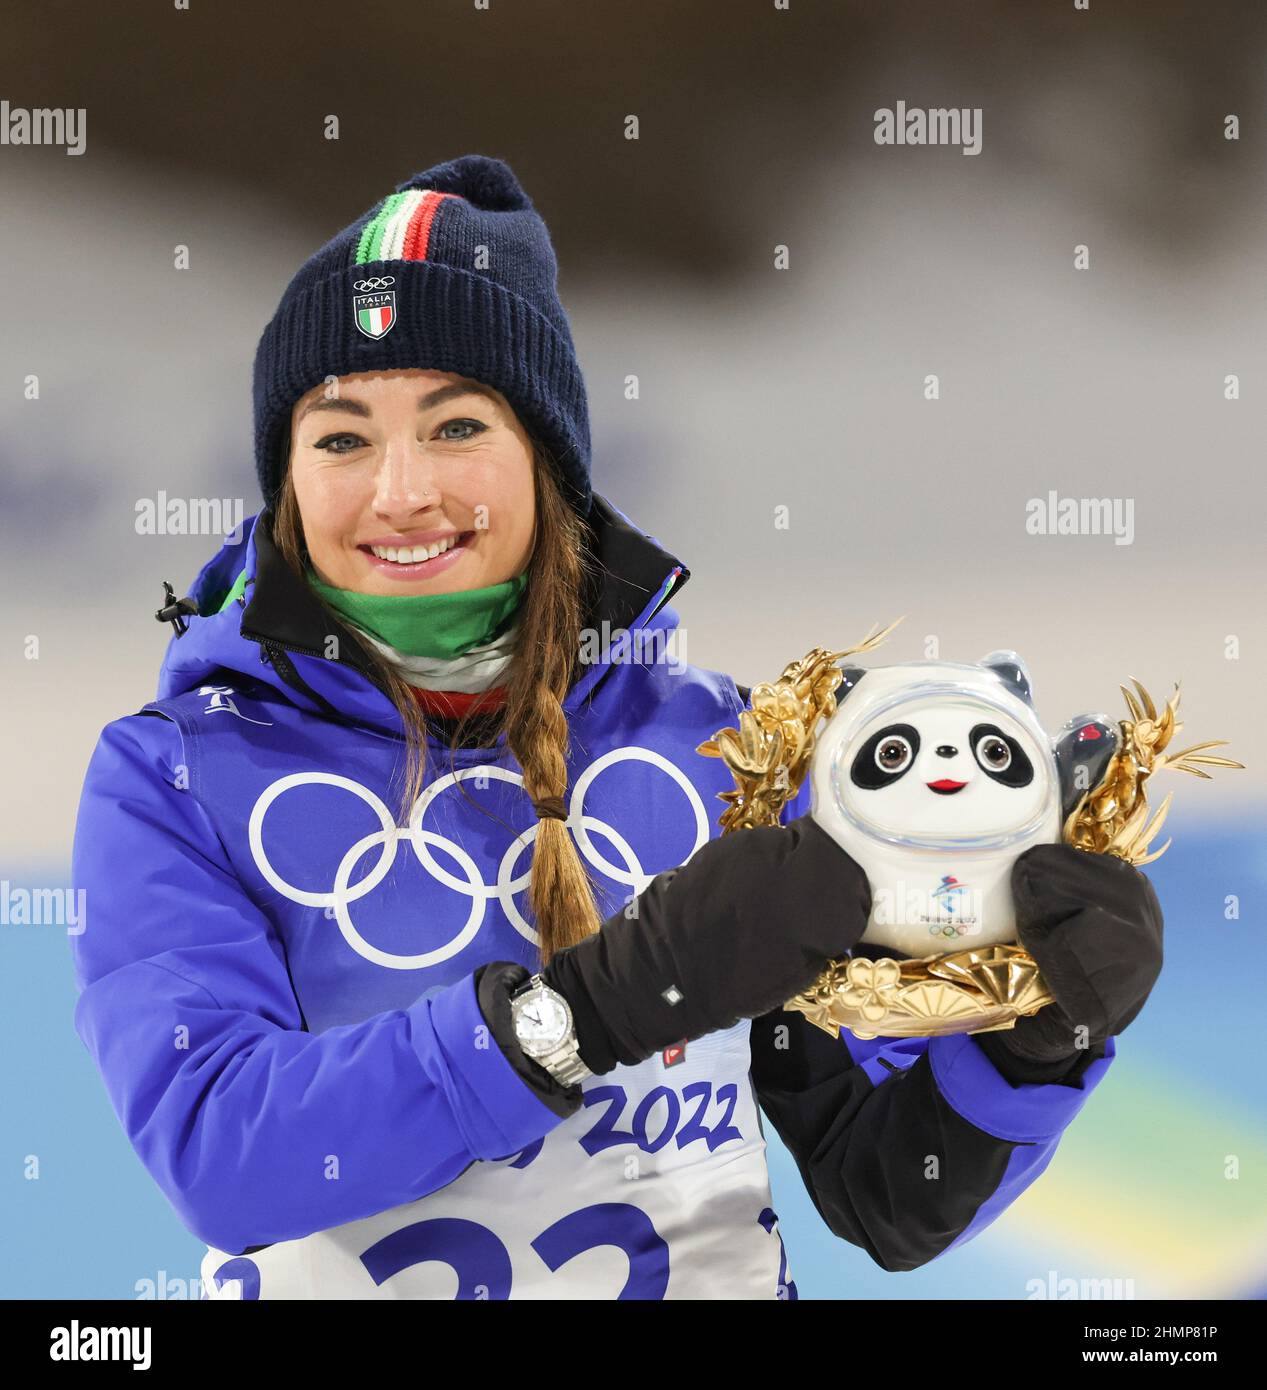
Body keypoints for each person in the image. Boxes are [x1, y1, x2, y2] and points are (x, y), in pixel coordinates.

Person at [69, 154, 1163, 1300]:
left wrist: (1033, 1041)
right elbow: (223, 1155)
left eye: (454, 426)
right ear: (284, 482)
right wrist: (593, 1011)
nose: (398, 491)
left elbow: (883, 1188)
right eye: (340, 439)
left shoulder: (732, 751)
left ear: (550, 462)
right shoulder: (176, 773)